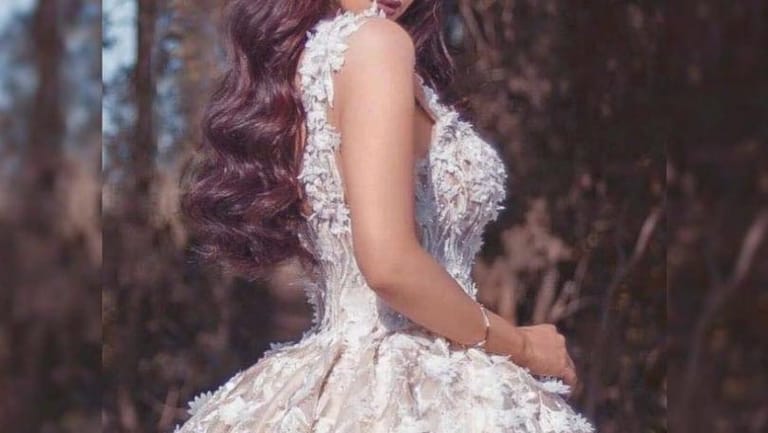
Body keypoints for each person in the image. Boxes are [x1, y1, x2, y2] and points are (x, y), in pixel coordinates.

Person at [177, 0, 594, 431]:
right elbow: (390, 264)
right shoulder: (376, 45)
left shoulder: (304, 70)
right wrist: (522, 345)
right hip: (405, 384)